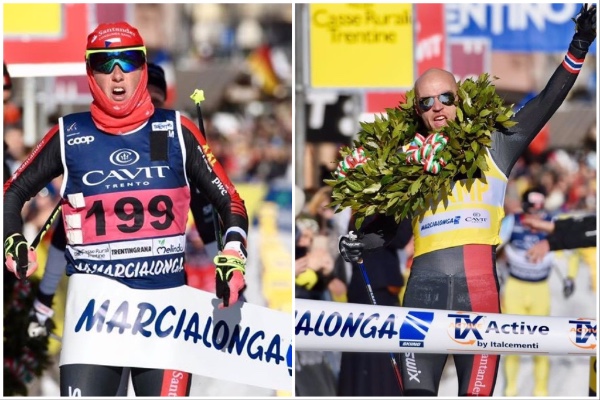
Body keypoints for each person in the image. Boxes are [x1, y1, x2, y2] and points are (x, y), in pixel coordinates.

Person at [336, 5, 596, 396]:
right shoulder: (410, 159)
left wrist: (578, 47)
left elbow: (546, 101)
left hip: (479, 294)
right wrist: (364, 243)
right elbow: (393, 230)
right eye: (427, 102)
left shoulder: (497, 144)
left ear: (460, 97)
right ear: (418, 111)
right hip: (422, 290)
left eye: (445, 97)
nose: (437, 106)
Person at [4, 22, 249, 397]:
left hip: (164, 315)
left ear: (143, 67)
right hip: (94, 317)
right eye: (104, 63)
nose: (117, 74)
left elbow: (228, 200)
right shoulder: (69, 134)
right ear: (90, 71)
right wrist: (12, 240)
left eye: (129, 61)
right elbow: (12, 191)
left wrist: (232, 254)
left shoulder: (175, 130)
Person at [497, 187, 575, 396]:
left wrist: (570, 277)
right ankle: (510, 391)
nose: (536, 215)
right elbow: (492, 248)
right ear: (524, 207)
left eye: (540, 209)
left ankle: (541, 392)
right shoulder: (512, 221)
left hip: (540, 289)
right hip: (515, 288)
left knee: (541, 344)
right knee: (511, 342)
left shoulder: (551, 222)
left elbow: (571, 253)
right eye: (532, 210)